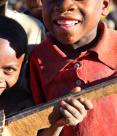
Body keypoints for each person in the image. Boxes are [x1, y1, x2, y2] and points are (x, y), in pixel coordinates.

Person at [30, 0, 116, 135]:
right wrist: (57, 124)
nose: (64, 5)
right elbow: (32, 128)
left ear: (104, 5)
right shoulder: (37, 57)